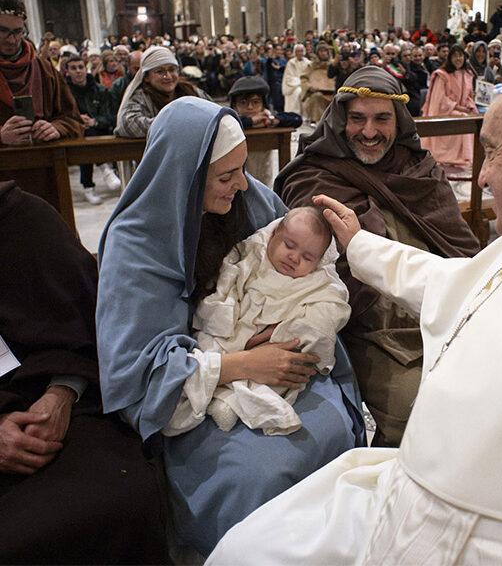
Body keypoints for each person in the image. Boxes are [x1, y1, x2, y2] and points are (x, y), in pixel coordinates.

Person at [208, 60, 502, 566]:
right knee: (246, 549)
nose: (481, 176)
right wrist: (362, 244)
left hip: (490, 532)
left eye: (495, 151)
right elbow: (458, 281)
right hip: (412, 470)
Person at [97, 97, 364, 559]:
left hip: (272, 359)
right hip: (198, 390)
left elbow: (305, 271)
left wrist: (286, 326)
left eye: (242, 169)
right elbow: (138, 374)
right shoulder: (135, 245)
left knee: (333, 431)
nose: (242, 184)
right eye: (225, 175)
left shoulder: (249, 198)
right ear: (187, 175)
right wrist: (243, 362)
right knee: (260, 473)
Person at [275, 66, 479, 447]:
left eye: (381, 118)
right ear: (340, 119)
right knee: (421, 410)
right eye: (358, 118)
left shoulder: (420, 170)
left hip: (445, 308)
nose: (369, 132)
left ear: (397, 120)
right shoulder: (313, 177)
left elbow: (458, 245)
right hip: (370, 326)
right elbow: (313, 274)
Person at [0, 181, 170, 563]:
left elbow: (93, 322)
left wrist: (63, 390)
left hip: (63, 396)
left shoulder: (21, 217)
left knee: (125, 502)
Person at [164, 207, 351, 437]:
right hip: (235, 328)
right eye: (289, 246)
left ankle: (230, 401)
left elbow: (329, 312)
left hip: (276, 343)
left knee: (288, 369)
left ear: (318, 262)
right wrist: (224, 312)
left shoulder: (317, 282)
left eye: (307, 257)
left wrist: (282, 333)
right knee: (209, 346)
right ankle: (219, 387)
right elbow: (228, 279)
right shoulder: (253, 254)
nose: (294, 257)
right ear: (273, 236)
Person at [0, 0, 83, 146]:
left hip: (45, 164)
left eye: (17, 32)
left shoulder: (45, 70)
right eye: (3, 31)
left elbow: (73, 119)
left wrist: (56, 128)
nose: (11, 40)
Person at [114, 45, 210, 138]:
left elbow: (213, 113)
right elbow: (128, 124)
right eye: (160, 71)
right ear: (147, 77)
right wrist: (177, 123)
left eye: (172, 70)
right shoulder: (141, 96)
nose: (168, 76)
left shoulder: (189, 90)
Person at [228, 75, 301, 188]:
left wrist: (272, 121)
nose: (250, 107)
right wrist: (251, 122)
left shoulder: (266, 118)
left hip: (264, 181)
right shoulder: (232, 122)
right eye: (243, 102)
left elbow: (296, 119)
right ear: (234, 106)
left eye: (255, 102)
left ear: (263, 104)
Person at [65, 55, 120, 204]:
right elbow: (60, 114)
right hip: (75, 132)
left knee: (89, 135)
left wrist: (94, 121)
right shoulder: (64, 91)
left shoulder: (99, 89)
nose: (78, 71)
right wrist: (77, 120)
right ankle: (104, 168)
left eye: (81, 67)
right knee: (84, 138)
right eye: (73, 68)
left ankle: (90, 185)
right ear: (67, 71)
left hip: (99, 129)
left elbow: (109, 116)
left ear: (86, 68)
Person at [421, 44, 479, 169]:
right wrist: (458, 108)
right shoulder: (442, 75)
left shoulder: (467, 74)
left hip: (462, 108)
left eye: (460, 56)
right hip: (446, 111)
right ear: (450, 58)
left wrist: (469, 105)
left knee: (474, 117)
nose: (458, 59)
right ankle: (454, 155)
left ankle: (470, 155)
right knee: (462, 118)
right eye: (455, 56)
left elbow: (469, 95)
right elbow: (440, 100)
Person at [301, 42, 335, 124]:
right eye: (321, 51)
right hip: (317, 92)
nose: (323, 53)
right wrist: (309, 87)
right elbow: (304, 78)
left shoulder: (333, 64)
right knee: (316, 98)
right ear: (318, 53)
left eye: (325, 51)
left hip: (333, 91)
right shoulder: (312, 65)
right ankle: (317, 122)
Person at [281, 43, 310, 114]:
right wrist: (300, 82)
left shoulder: (308, 63)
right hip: (294, 87)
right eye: (298, 51)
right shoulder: (291, 63)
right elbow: (289, 77)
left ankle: (306, 116)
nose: (300, 53)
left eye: (301, 51)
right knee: (298, 92)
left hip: (306, 85)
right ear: (295, 52)